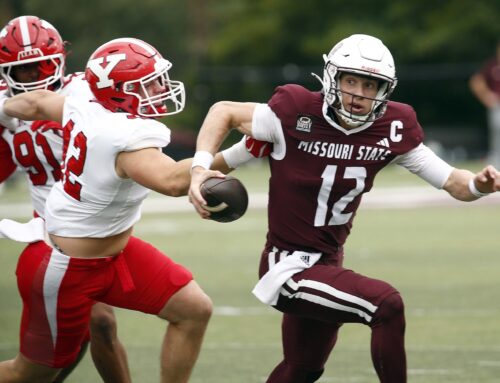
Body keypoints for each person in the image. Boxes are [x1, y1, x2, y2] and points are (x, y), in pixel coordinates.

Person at [188, 34, 500, 383]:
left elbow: (453, 182)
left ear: (385, 89)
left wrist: (478, 185)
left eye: (370, 84)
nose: (358, 93)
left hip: (328, 262)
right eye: (350, 81)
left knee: (302, 369)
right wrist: (200, 169)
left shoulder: (393, 128)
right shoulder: (293, 110)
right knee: (386, 305)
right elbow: (223, 112)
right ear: (332, 78)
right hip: (287, 267)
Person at [0, 36, 246, 383]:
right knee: (29, 373)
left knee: (193, 309)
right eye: (151, 83)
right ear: (120, 92)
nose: (161, 88)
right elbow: (174, 181)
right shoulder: (122, 136)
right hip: (66, 269)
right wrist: (242, 152)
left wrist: (4, 107)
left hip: (114, 252)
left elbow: (38, 102)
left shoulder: (88, 104)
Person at [0, 15, 132, 383]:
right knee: (97, 322)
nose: (31, 76)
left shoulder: (86, 92)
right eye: (21, 69)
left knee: (89, 332)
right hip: (50, 231)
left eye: (39, 65)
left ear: (59, 59)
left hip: (99, 222)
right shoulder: (4, 109)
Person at [469, 41, 500, 168]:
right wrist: (486, 96)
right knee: (497, 130)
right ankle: (497, 156)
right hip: (498, 105)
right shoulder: (492, 66)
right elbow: (476, 81)